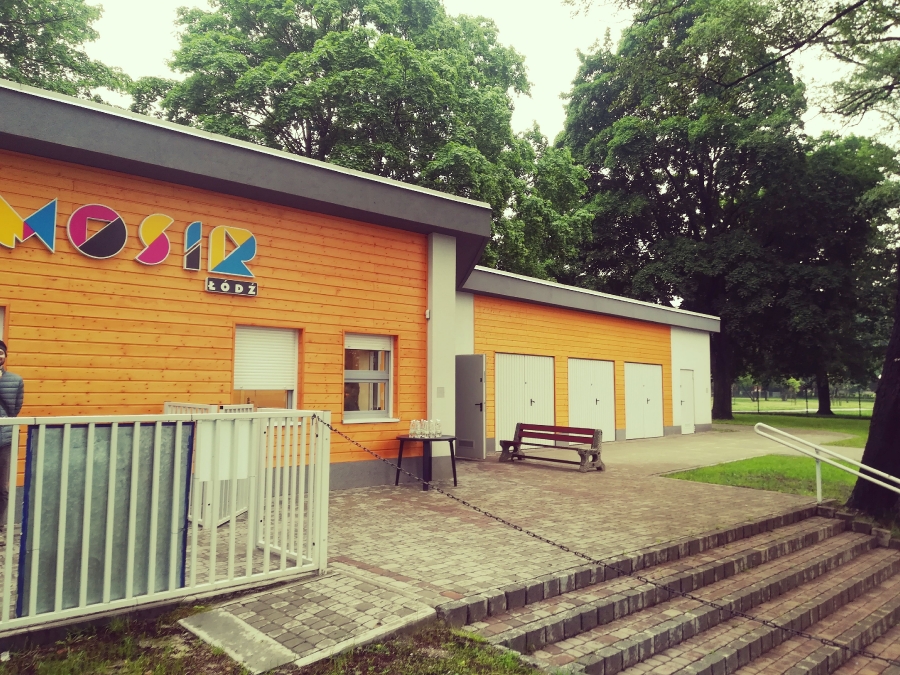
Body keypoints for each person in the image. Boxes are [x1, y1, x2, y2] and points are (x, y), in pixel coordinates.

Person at [0, 341, 23, 528]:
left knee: (1, 487)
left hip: (4, 440)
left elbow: (15, 409)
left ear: (5, 356)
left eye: (1, 352)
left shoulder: (16, 381)